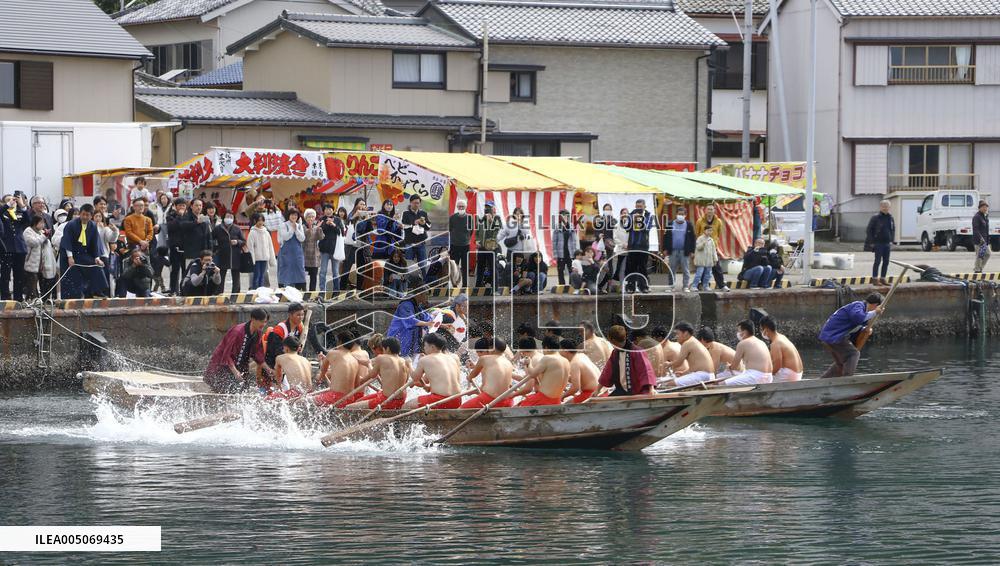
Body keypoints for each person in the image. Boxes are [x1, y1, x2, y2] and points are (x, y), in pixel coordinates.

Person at [204, 308, 269, 393]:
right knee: (224, 391)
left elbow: (257, 353)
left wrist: (269, 369)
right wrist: (235, 371)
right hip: (224, 366)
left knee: (242, 391)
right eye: (261, 321)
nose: (263, 324)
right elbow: (226, 354)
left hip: (240, 367)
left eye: (265, 322)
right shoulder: (237, 331)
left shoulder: (258, 333)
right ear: (253, 319)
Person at [819, 293, 883, 378]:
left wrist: (865, 329)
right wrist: (875, 312)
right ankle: (847, 380)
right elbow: (858, 318)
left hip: (830, 336)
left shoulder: (861, 310)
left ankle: (822, 381)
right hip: (834, 335)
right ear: (875, 305)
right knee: (853, 354)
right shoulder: (858, 305)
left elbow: (857, 325)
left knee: (841, 364)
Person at [343, 336, 409, 410]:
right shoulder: (405, 361)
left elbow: (372, 375)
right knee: (359, 401)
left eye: (383, 348)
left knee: (348, 408)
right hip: (401, 399)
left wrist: (368, 365)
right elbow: (406, 381)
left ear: (387, 348)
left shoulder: (381, 358)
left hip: (387, 400)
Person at [58, 204, 108, 299]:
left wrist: (97, 258)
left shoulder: (93, 225)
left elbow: (94, 244)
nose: (85, 217)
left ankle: (96, 292)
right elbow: (67, 241)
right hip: (69, 254)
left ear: (91, 215)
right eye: (83, 214)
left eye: (87, 215)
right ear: (80, 214)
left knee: (96, 267)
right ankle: (71, 298)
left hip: (83, 253)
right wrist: (70, 257)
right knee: (72, 277)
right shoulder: (71, 224)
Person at [404, 333, 462, 409]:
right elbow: (456, 381)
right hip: (457, 400)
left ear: (432, 347)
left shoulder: (425, 359)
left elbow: (415, 378)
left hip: (440, 400)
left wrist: (409, 364)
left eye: (425, 346)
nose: (424, 348)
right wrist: (430, 387)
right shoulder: (454, 358)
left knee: (405, 406)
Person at [598, 325, 656, 395]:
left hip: (638, 391)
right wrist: (597, 390)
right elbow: (607, 372)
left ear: (612, 340)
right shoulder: (615, 353)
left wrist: (651, 389)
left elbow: (646, 370)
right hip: (621, 390)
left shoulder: (636, 351)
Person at [516, 335, 571, 406]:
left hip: (543, 399)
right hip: (557, 400)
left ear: (546, 347)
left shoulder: (547, 358)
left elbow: (532, 374)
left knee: (518, 406)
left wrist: (528, 364)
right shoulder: (566, 361)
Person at [461, 337, 515, 408]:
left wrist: (469, 377)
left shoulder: (484, 359)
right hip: (509, 401)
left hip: (491, 400)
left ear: (492, 348)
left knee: (459, 411)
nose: (478, 354)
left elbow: (472, 376)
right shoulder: (508, 363)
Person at [658, 322, 715, 387]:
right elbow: (695, 366)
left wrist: (669, 364)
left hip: (703, 375)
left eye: (677, 334)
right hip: (708, 375)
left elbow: (678, 363)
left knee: (670, 384)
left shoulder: (687, 343)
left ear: (685, 333)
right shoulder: (693, 341)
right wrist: (684, 373)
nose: (676, 337)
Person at [313, 332, 362, 407]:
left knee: (303, 401)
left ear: (340, 342)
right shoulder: (355, 360)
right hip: (350, 399)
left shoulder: (332, 353)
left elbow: (321, 375)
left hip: (335, 397)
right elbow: (357, 384)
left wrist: (318, 379)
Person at [721, 320, 773, 385]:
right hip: (769, 377)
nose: (738, 333)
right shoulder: (762, 342)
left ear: (745, 332)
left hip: (756, 376)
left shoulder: (742, 343)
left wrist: (729, 367)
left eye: (739, 331)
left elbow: (734, 366)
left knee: (722, 383)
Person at [386, 288, 434, 358]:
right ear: (419, 294)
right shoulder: (405, 305)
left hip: (411, 343)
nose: (428, 297)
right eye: (426, 294)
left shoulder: (417, 307)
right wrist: (427, 324)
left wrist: (442, 325)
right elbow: (410, 320)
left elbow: (427, 318)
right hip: (399, 341)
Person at [695, 204, 730, 292]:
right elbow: (697, 233)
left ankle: (722, 285)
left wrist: (715, 244)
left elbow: (719, 234)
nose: (710, 211)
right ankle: (703, 285)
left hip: (713, 247)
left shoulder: (718, 221)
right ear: (705, 210)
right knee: (703, 268)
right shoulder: (700, 221)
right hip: (703, 248)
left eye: (712, 209)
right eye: (708, 209)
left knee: (717, 267)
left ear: (714, 211)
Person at [22, 215, 58, 300]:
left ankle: (42, 300)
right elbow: (33, 242)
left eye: (44, 222)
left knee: (43, 283)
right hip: (31, 263)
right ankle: (34, 300)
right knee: (32, 284)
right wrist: (44, 236)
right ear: (35, 222)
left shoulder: (42, 232)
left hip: (43, 264)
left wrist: (45, 236)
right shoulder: (28, 231)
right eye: (41, 222)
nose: (43, 225)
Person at [1, 193, 28, 301]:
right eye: (8, 200)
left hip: (20, 248)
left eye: (14, 200)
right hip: (6, 248)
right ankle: (5, 296)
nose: (12, 201)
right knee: (5, 274)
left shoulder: (20, 213)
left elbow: (28, 221)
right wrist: (7, 205)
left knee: (19, 275)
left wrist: (22, 205)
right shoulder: (3, 212)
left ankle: (18, 297)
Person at [759, 316, 803, 382]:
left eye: (761, 329)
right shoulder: (782, 337)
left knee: (759, 379)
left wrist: (765, 375)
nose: (761, 332)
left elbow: (777, 367)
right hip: (798, 374)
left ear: (766, 329)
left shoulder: (775, 343)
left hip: (790, 376)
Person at [624, 199, 654, 293]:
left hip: (643, 246)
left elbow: (647, 228)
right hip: (632, 245)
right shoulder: (631, 214)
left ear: (644, 206)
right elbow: (626, 228)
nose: (638, 209)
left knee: (642, 267)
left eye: (640, 207)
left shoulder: (649, 215)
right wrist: (633, 219)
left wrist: (640, 219)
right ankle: (630, 287)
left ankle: (643, 286)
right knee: (631, 267)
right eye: (637, 207)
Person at [663, 206, 695, 291]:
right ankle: (671, 286)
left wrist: (692, 251)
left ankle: (685, 286)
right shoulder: (670, 224)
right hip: (672, 250)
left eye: (682, 214)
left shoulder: (689, 225)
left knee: (686, 270)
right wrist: (665, 249)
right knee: (671, 269)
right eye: (679, 214)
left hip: (685, 251)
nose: (680, 215)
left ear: (685, 215)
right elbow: (665, 237)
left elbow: (692, 238)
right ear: (676, 214)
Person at [560, 338, 601, 403]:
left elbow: (575, 388)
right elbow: (584, 378)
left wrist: (562, 396)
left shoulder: (574, 363)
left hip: (592, 394)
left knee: (565, 405)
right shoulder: (582, 355)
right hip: (600, 391)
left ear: (565, 350)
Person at [213, 212, 245, 293]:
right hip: (222, 255)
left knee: (236, 277)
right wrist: (216, 249)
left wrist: (237, 242)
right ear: (224, 217)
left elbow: (243, 241)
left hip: (235, 256)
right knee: (221, 275)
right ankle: (219, 293)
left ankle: (235, 294)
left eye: (231, 217)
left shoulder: (237, 229)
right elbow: (211, 239)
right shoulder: (218, 228)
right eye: (227, 216)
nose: (229, 218)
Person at [318, 203, 346, 292]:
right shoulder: (321, 220)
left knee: (335, 272)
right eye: (326, 209)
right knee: (323, 271)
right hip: (324, 249)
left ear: (333, 210)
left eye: (330, 209)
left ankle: (336, 291)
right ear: (324, 211)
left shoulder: (337, 219)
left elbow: (341, 232)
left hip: (335, 249)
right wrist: (326, 224)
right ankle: (322, 290)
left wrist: (334, 225)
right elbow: (319, 231)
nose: (328, 211)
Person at [865, 200, 895, 285]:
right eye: (884, 206)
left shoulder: (890, 217)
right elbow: (869, 230)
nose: (885, 208)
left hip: (887, 243)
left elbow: (893, 229)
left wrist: (891, 240)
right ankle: (875, 279)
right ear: (880, 207)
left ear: (889, 207)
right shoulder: (875, 217)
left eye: (887, 206)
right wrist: (871, 242)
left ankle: (883, 278)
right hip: (878, 243)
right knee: (877, 261)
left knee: (886, 261)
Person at [401, 194, 431, 277]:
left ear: (420, 203)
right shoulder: (405, 213)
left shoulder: (423, 213)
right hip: (409, 243)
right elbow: (402, 226)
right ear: (410, 203)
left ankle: (424, 283)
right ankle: (409, 283)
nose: (416, 205)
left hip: (421, 243)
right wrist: (414, 223)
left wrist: (424, 223)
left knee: (423, 265)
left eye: (418, 203)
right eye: (414, 203)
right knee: (409, 264)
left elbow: (428, 227)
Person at [277, 208, 307, 290]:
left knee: (299, 270)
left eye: (296, 215)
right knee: (286, 270)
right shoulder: (283, 225)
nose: (294, 216)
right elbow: (285, 237)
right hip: (286, 253)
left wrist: (296, 229)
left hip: (297, 253)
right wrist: (292, 229)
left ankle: (300, 289)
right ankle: (284, 289)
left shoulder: (299, 226)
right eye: (292, 214)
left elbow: (302, 238)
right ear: (288, 215)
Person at [181, 198, 213, 269]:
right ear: (191, 206)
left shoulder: (204, 217)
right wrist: (196, 222)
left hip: (204, 252)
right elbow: (183, 225)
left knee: (203, 274)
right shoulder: (187, 216)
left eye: (200, 205)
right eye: (196, 205)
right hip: (191, 252)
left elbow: (208, 236)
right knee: (191, 274)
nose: (199, 207)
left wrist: (210, 250)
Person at [475, 201, 501, 287]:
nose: (487, 209)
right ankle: (478, 286)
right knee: (480, 267)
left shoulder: (497, 218)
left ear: (493, 208)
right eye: (485, 207)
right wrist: (477, 241)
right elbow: (477, 232)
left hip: (492, 247)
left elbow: (498, 229)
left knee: (493, 267)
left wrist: (491, 221)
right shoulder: (482, 219)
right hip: (482, 247)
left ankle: (495, 288)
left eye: (489, 207)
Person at [166, 198, 188, 294]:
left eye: (183, 205)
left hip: (186, 247)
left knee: (185, 270)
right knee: (175, 270)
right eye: (180, 205)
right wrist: (179, 216)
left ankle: (183, 289)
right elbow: (171, 227)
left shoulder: (188, 216)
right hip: (175, 247)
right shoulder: (170, 216)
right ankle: (173, 290)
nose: (182, 207)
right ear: (175, 206)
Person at [247, 213, 275, 289]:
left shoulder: (266, 233)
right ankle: (255, 290)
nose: (260, 222)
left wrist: (271, 259)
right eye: (259, 220)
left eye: (262, 220)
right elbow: (250, 248)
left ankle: (261, 290)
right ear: (255, 221)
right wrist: (252, 260)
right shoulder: (252, 232)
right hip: (256, 259)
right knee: (256, 276)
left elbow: (270, 246)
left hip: (264, 258)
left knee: (262, 276)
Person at [552, 209, 580, 286]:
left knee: (571, 270)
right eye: (562, 216)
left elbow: (575, 240)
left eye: (566, 215)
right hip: (561, 253)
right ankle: (561, 285)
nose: (564, 217)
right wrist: (555, 254)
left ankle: (572, 285)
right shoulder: (557, 228)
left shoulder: (571, 226)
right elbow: (554, 242)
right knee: (560, 270)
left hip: (570, 252)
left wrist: (576, 253)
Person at [448, 200, 472, 286]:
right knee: (454, 266)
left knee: (465, 266)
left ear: (465, 207)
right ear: (457, 207)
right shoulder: (452, 218)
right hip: (454, 245)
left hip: (465, 246)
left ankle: (465, 284)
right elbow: (450, 229)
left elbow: (471, 231)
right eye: (459, 206)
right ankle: (454, 284)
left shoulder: (470, 218)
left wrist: (466, 238)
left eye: (462, 206)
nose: (461, 208)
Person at [302, 208, 323, 292]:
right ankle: (303, 291)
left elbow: (321, 237)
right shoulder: (303, 226)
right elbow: (306, 237)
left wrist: (319, 229)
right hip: (305, 254)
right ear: (305, 218)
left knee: (314, 276)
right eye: (309, 217)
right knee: (302, 276)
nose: (311, 219)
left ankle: (312, 292)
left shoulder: (316, 227)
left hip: (314, 254)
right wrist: (312, 228)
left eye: (312, 217)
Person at [692, 225, 718, 292]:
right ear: (704, 231)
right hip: (701, 260)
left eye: (711, 231)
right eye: (708, 230)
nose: (709, 232)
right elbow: (698, 247)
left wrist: (715, 259)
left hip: (709, 260)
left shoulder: (711, 240)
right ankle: (694, 286)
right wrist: (703, 243)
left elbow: (713, 250)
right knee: (699, 274)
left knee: (708, 274)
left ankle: (705, 286)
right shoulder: (700, 238)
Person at [973, 200, 991, 274]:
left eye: (986, 207)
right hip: (979, 240)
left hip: (985, 240)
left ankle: (980, 268)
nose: (985, 208)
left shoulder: (985, 217)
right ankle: (977, 270)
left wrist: (987, 240)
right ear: (979, 208)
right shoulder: (977, 217)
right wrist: (981, 238)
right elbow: (975, 229)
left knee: (987, 254)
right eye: (983, 207)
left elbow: (986, 230)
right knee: (980, 255)